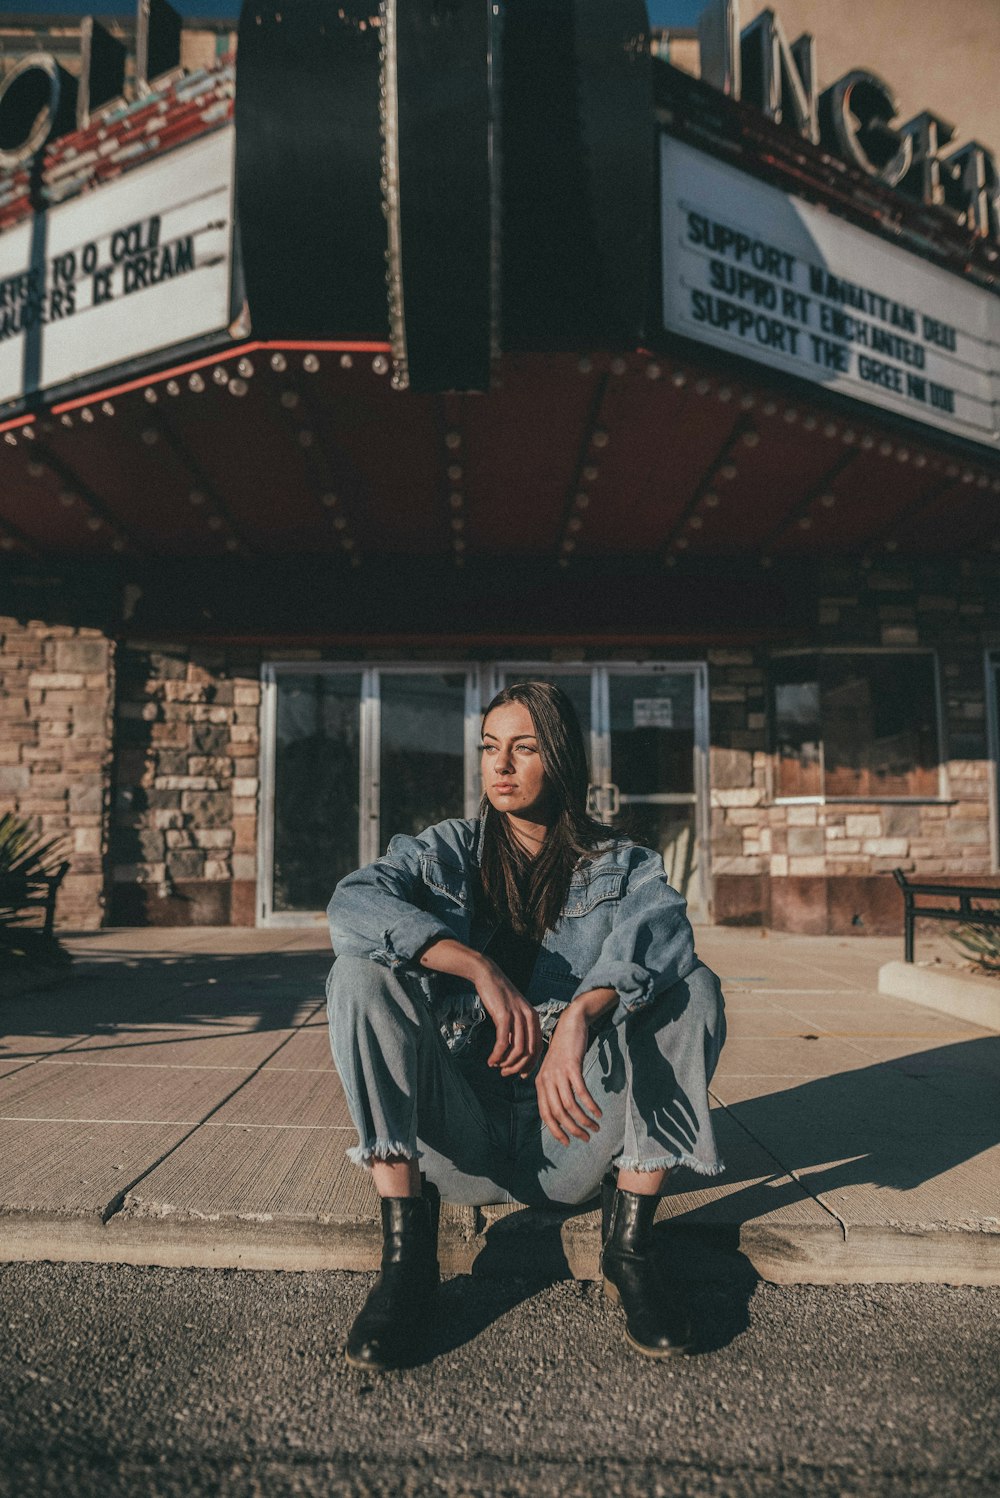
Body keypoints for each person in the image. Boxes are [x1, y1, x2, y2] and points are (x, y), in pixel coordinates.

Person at [326, 679, 726, 1370]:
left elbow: (664, 936)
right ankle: (406, 1264)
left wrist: (580, 1014)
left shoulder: (622, 866)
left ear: (560, 757)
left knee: (692, 986)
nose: (500, 766)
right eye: (489, 748)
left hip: (570, 1134)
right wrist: (475, 966)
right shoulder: (449, 851)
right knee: (359, 974)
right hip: (459, 1141)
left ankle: (629, 1251)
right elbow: (353, 905)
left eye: (523, 748)